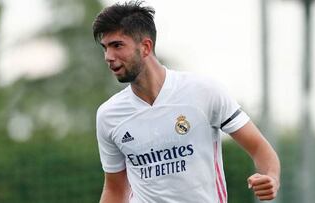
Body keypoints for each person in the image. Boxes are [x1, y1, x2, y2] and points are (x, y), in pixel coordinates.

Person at [92, 1, 280, 202]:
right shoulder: (109, 115)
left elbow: (260, 149)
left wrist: (271, 178)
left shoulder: (203, 92)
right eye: (105, 48)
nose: (108, 57)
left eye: (117, 45)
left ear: (146, 47)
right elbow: (115, 189)